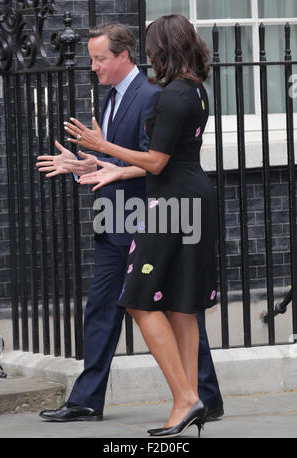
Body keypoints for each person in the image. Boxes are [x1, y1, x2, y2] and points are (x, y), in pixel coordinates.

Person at [37, 21, 223, 428]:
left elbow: (155, 161)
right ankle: (175, 399)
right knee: (158, 305)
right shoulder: (146, 94)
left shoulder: (161, 95)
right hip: (129, 217)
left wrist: (103, 150)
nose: (94, 67)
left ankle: (197, 397)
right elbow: (136, 163)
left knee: (162, 303)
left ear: (124, 56)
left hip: (156, 214)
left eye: (100, 58)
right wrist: (90, 165)